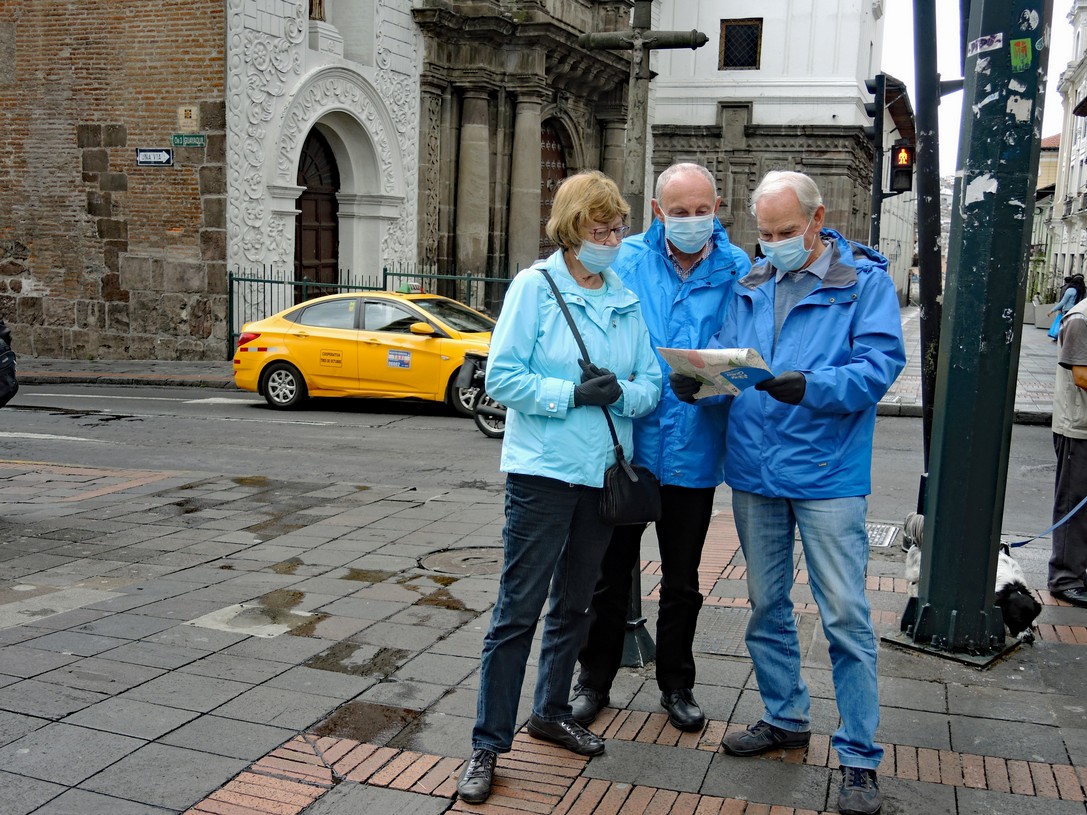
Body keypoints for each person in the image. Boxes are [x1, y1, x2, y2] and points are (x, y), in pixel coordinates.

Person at [672, 170, 905, 815]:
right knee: (765, 606)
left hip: (827, 473)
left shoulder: (862, 282)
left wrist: (815, 386)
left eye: (784, 231)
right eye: (764, 233)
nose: (772, 243)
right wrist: (696, 380)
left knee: (846, 617)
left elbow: (880, 366)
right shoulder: (750, 283)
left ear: (816, 218)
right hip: (756, 470)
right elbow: (723, 356)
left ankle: (859, 756)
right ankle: (785, 716)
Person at [457, 170, 662, 805]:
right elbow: (502, 378)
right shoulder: (535, 288)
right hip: (543, 476)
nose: (611, 238)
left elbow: (650, 383)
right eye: (600, 228)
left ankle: (549, 710)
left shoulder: (624, 297)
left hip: (601, 478)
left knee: (575, 606)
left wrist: (620, 392)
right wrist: (569, 393)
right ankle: (487, 745)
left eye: (618, 227)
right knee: (516, 614)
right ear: (572, 230)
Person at [568, 163, 750, 732]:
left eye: (702, 210)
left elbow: (745, 348)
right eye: (680, 211)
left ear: (717, 208)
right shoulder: (626, 259)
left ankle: (677, 684)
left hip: (695, 447)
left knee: (684, 579)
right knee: (609, 571)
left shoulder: (737, 266)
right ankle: (593, 679)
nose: (691, 221)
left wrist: (715, 378)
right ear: (656, 211)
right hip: (628, 444)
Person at [1049, 293, 1087, 608]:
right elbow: (1081, 375)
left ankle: (1079, 572)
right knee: (1072, 505)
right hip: (1077, 429)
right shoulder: (1080, 318)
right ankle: (1065, 578)